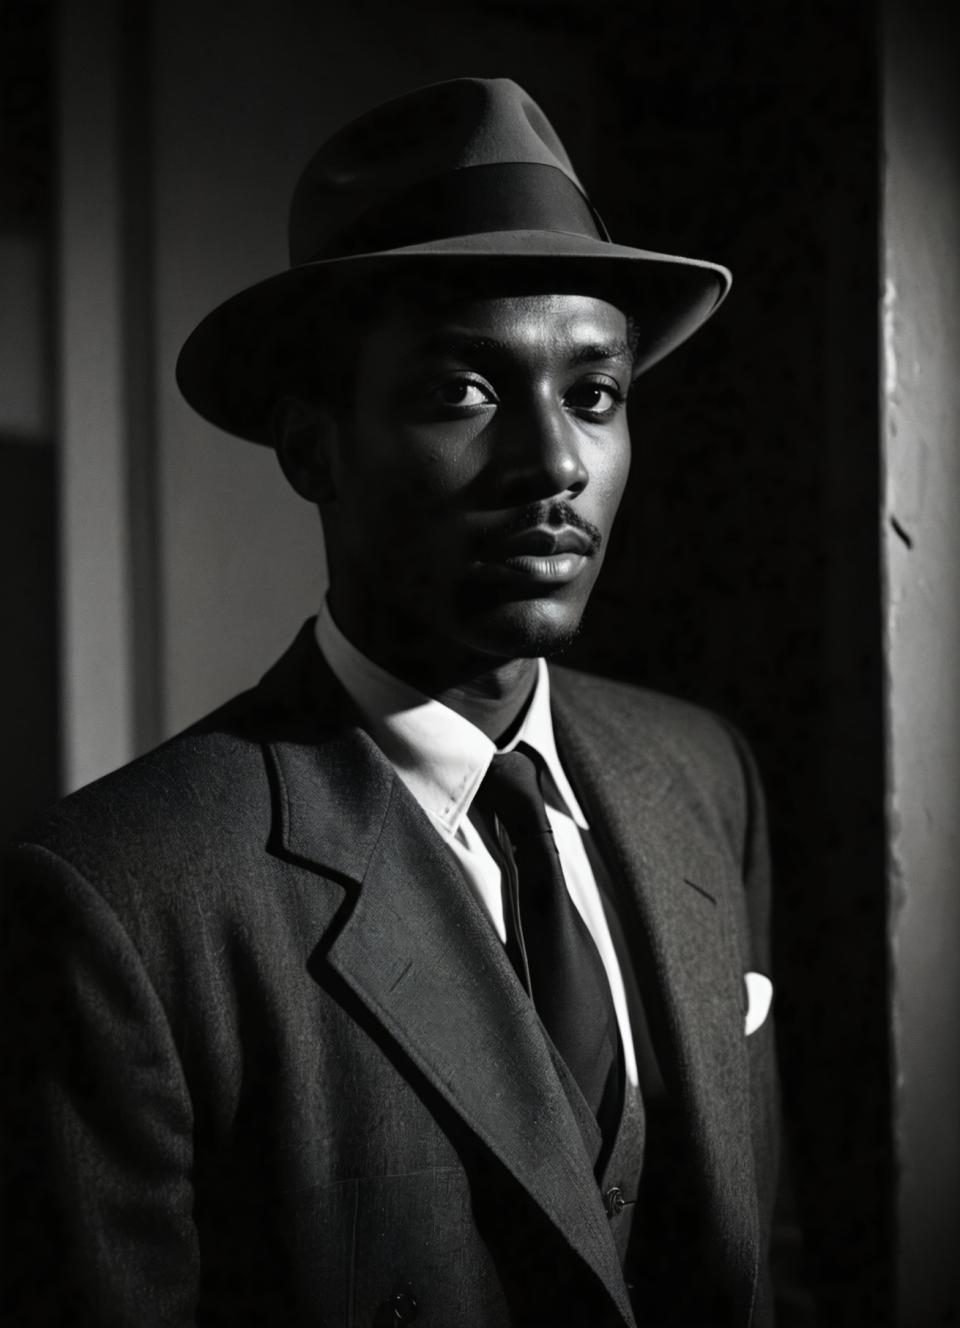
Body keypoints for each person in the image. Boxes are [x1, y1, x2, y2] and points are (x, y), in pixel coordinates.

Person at [2, 78, 780, 1327]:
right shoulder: (123, 901)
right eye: (461, 391)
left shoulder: (699, 771)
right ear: (314, 448)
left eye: (595, 394)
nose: (556, 464)